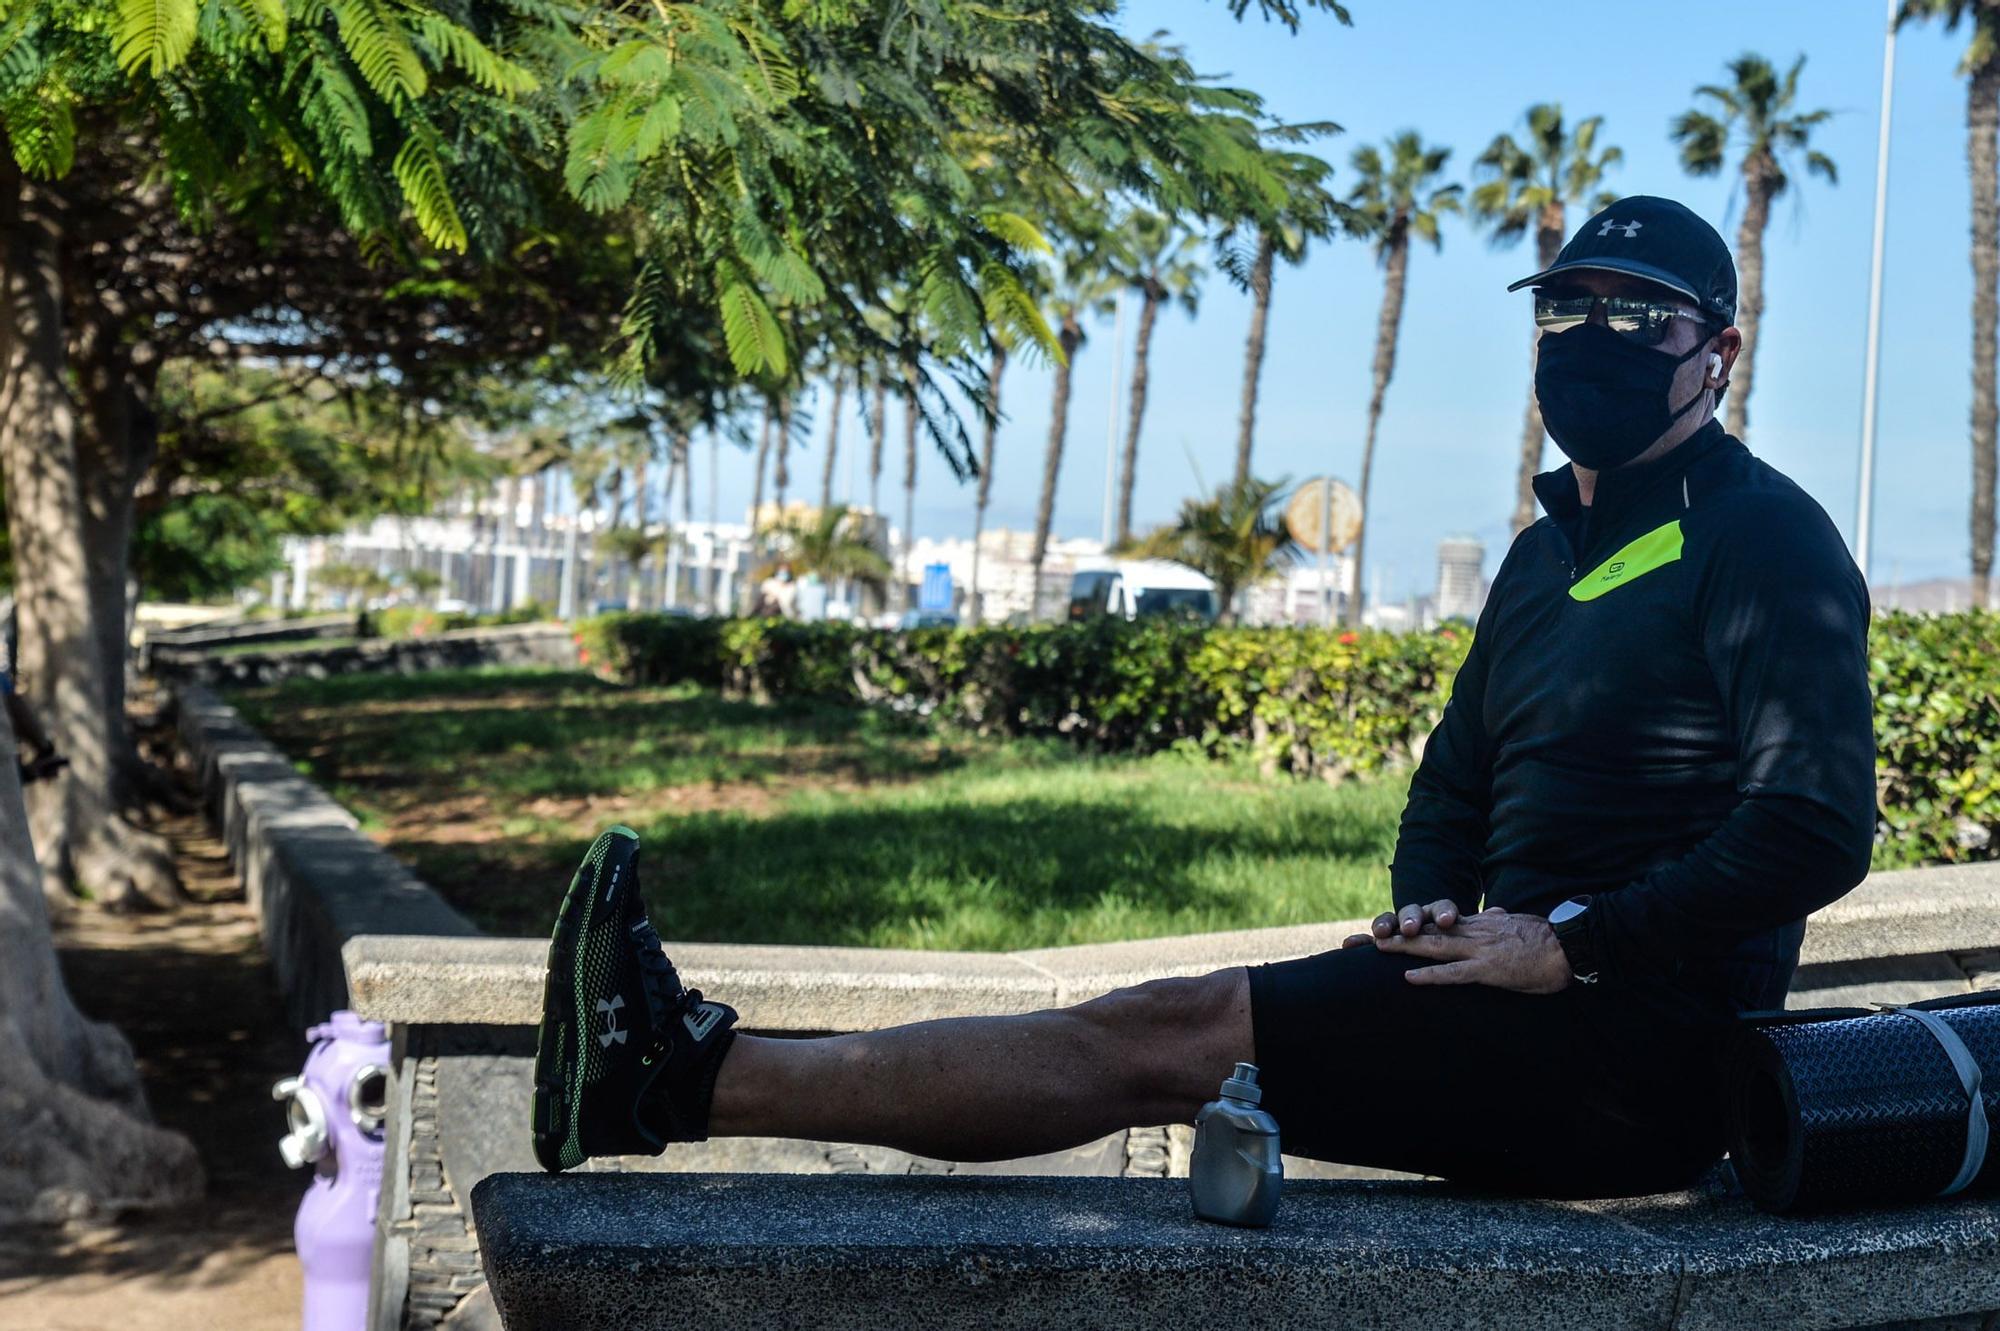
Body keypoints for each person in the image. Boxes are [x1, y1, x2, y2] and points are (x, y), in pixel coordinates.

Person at [529, 197, 1876, 1199]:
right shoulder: (1542, 557)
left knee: (1163, 1032)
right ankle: (684, 1074)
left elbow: (1815, 827)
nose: (1595, 339)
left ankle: (684, 1081)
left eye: (1639, 315)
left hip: (1634, 1058)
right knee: (1165, 1024)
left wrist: (1570, 944)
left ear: (1722, 350)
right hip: (1499, 993)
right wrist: (1433, 901)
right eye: (1567, 308)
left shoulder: (1764, 538)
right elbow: (1457, 776)